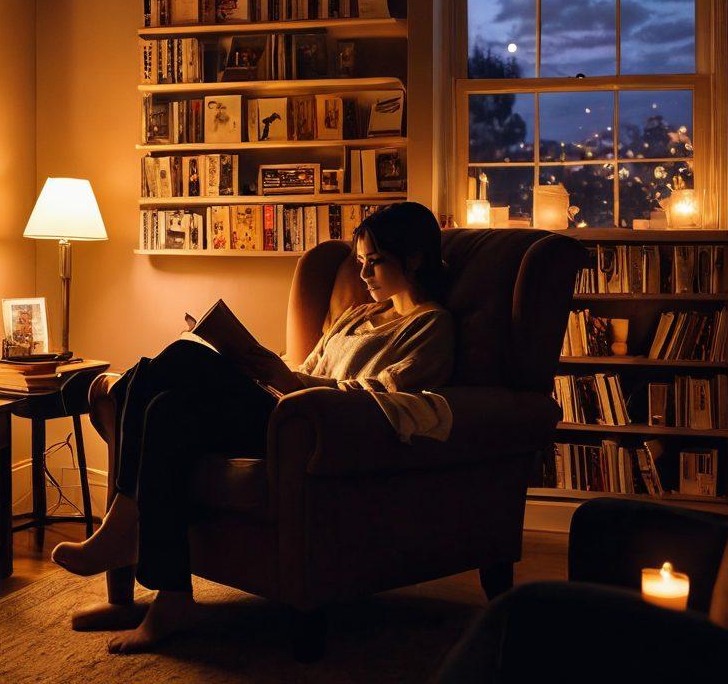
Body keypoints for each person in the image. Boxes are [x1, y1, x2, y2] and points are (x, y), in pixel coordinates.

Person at [51, 201, 455, 653]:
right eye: (360, 262)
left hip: (317, 426)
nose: (362, 275)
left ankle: (122, 524)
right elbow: (306, 365)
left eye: (374, 262)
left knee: (183, 357)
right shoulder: (357, 315)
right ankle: (173, 598)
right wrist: (260, 365)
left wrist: (294, 383)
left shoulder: (431, 326)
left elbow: (382, 394)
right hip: (282, 407)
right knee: (165, 408)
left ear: (413, 258)